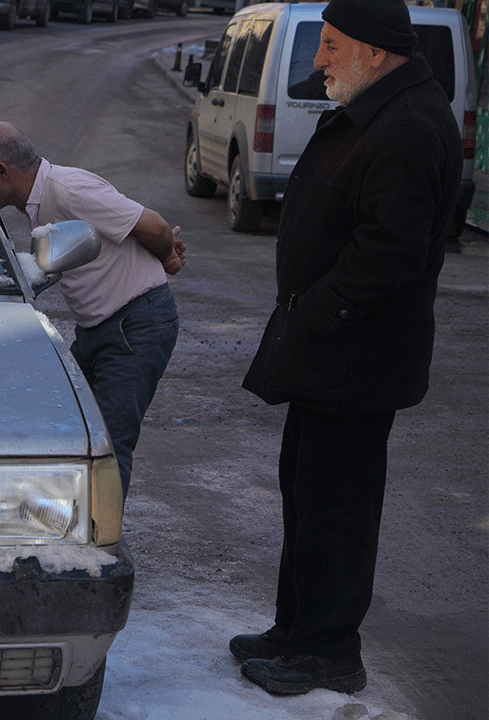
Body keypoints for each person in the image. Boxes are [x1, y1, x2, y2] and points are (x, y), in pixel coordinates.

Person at [234, 0, 462, 696]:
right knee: (308, 494)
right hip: (329, 359)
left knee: (338, 510)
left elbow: (386, 254)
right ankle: (296, 629)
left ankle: (330, 651)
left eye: (331, 45)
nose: (318, 59)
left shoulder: (409, 126)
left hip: (356, 360)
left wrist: (315, 316)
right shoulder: (381, 107)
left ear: (375, 50)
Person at [0, 122, 187, 498]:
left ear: (2, 172)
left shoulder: (68, 190)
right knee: (68, 429)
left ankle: (101, 548)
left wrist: (166, 253)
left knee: (108, 445)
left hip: (136, 325)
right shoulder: (43, 200)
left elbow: (154, 225)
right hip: (98, 331)